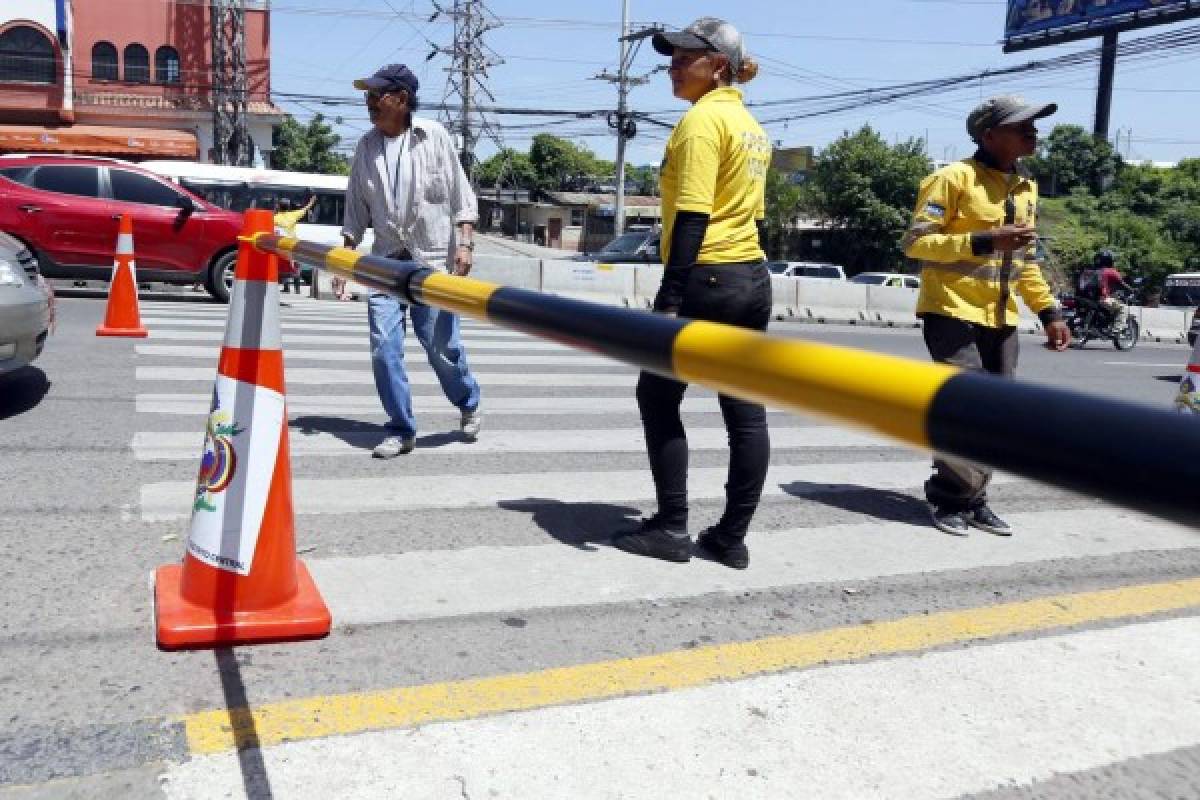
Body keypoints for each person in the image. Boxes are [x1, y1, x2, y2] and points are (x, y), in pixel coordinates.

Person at [612, 18, 772, 570]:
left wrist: (670, 294)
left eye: (687, 56)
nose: (674, 65)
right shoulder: (750, 125)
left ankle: (672, 527)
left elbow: (696, 214)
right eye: (673, 56)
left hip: (705, 276)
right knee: (744, 411)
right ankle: (731, 538)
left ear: (719, 66)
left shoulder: (701, 122)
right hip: (751, 277)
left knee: (657, 398)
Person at [902, 94, 1071, 537]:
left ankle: (975, 499)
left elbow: (1025, 261)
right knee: (965, 407)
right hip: (952, 310)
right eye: (1021, 125)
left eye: (1034, 124)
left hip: (1001, 317)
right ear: (989, 134)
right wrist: (984, 239)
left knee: (997, 413)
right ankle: (949, 499)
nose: (1032, 131)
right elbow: (917, 243)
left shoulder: (1025, 188)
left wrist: (1049, 311)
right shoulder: (952, 178)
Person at [341, 63, 482, 458]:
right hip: (385, 262)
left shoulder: (434, 136)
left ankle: (468, 403)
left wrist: (465, 243)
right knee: (383, 348)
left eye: (376, 95)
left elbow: (461, 196)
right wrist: (345, 257)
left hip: (432, 261)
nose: (369, 103)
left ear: (401, 99)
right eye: (367, 96)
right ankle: (401, 428)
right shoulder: (366, 146)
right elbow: (354, 208)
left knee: (441, 349)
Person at [1077, 249, 1132, 330]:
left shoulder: (1089, 270)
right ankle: (1116, 330)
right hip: (1101, 299)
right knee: (1123, 308)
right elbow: (1121, 284)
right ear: (1109, 260)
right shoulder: (1111, 271)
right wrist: (1132, 290)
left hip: (1083, 297)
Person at [274, 195, 316, 294]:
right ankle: (297, 289)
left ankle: (286, 287)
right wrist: (311, 202)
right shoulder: (293, 215)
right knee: (296, 266)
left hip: (282, 245)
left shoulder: (275, 218)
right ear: (288, 207)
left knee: (285, 266)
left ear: (279, 207)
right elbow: (306, 208)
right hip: (293, 245)